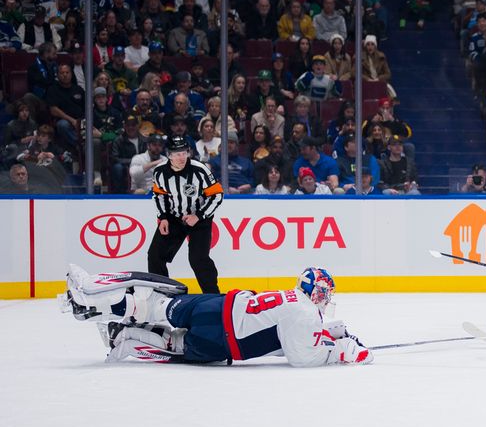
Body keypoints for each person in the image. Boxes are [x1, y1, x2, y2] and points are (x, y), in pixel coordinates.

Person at [62, 265, 372, 366]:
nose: (327, 298)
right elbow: (301, 356)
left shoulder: (291, 299)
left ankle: (96, 301)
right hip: (222, 340)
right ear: (317, 292)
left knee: (153, 307)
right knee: (174, 344)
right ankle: (125, 339)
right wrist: (345, 351)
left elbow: (283, 334)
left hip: (218, 305)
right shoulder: (304, 314)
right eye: (326, 292)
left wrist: (331, 332)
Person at [149, 136, 223, 294]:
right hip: (174, 218)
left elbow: (217, 195)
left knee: (198, 259)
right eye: (177, 154)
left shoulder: (200, 169)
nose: (181, 157)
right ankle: (163, 296)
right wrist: (162, 217)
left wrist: (198, 216)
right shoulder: (160, 172)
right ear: (169, 155)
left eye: (184, 152)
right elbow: (159, 195)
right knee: (155, 256)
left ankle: (213, 295)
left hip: (199, 219)